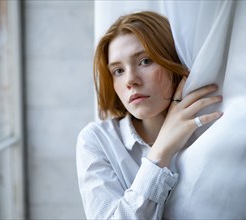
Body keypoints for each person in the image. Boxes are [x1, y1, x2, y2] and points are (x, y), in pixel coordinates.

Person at [76, 11, 223, 219]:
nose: (130, 80)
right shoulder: (96, 140)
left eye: (145, 61)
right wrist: (161, 152)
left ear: (173, 62)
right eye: (118, 71)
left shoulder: (209, 128)